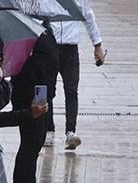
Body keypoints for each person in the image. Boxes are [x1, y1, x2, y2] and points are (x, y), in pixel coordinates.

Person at [10, 26, 61, 183]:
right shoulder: (28, 28)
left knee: (32, 144)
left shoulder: (42, 26)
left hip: (41, 92)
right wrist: (40, 100)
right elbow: (37, 67)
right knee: (31, 144)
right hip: (34, 94)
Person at [48, 0, 105, 150]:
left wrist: (97, 44)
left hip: (70, 50)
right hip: (48, 47)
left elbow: (88, 15)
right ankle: (48, 130)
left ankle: (71, 131)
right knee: (46, 90)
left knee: (71, 90)